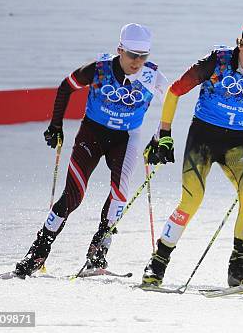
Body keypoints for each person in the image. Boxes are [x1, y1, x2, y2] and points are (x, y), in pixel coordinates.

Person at [14, 23, 168, 277]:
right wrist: (56, 125)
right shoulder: (99, 69)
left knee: (119, 195)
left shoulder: (153, 77)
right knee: (73, 196)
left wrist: (159, 138)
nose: (137, 62)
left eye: (143, 56)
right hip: (92, 133)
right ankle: (37, 252)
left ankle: (98, 254)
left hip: (126, 138)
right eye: (132, 55)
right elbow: (66, 86)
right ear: (120, 50)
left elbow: (172, 100)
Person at [141, 22, 243, 287]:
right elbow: (174, 91)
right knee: (192, 199)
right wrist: (164, 133)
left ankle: (238, 268)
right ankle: (158, 262)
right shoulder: (216, 61)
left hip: (237, 141)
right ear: (239, 44)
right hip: (204, 138)